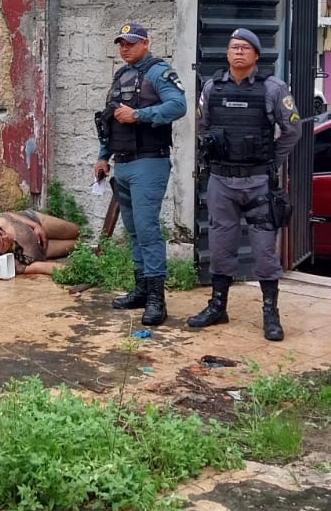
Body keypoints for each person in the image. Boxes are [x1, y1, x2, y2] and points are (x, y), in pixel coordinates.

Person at [189, 27, 302, 341]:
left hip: (258, 184)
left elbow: (292, 132)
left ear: (255, 54)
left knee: (265, 252)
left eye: (244, 47)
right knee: (220, 247)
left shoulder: (273, 89)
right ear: (227, 53)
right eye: (233, 47)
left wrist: (270, 163)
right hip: (221, 181)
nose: (238, 51)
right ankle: (217, 306)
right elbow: (202, 127)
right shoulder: (212, 87)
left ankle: (271, 314)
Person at [94, 22, 187, 325]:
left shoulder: (158, 73)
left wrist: (139, 114)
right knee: (133, 230)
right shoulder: (121, 75)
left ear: (146, 43)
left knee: (147, 230)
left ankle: (157, 300)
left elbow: (178, 106)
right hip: (122, 163)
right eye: (121, 43)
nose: (125, 48)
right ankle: (141, 290)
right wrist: (102, 157)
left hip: (149, 162)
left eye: (131, 43)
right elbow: (109, 121)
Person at [0, 209, 81, 276]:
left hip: (37, 223)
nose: (6, 237)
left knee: (76, 231)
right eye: (3, 243)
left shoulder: (0, 221)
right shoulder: (12, 264)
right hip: (43, 250)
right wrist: (69, 272)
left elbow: (11, 215)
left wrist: (36, 226)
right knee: (78, 245)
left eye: (0, 233)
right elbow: (40, 267)